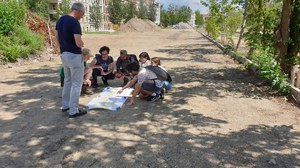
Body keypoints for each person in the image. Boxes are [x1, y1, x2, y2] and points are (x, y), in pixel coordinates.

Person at [55, 2, 87, 118]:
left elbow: (56, 37)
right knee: (76, 84)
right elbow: (78, 42)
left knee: (68, 81)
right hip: (74, 55)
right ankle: (73, 110)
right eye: (82, 13)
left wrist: (61, 50)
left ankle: (65, 105)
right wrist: (83, 46)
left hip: (64, 55)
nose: (82, 16)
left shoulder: (61, 19)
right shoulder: (75, 22)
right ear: (77, 11)